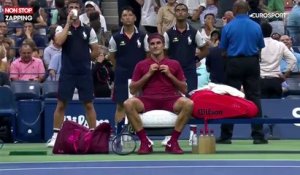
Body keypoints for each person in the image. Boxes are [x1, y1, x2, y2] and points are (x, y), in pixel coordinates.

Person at [124, 33, 193, 154]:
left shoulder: (174, 64)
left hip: (171, 99)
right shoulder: (141, 65)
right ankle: (145, 142)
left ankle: (173, 142)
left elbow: (184, 89)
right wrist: (148, 74)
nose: (155, 46)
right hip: (147, 100)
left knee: (189, 103)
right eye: (152, 44)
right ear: (149, 47)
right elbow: (132, 90)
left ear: (163, 45)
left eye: (158, 43)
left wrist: (170, 75)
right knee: (128, 104)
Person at [47, 0, 100, 147]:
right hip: (67, 72)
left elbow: (96, 50)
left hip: (84, 72)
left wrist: (84, 59)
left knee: (88, 104)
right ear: (67, 10)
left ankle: (93, 135)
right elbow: (58, 42)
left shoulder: (88, 30)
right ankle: (56, 136)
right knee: (61, 104)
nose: (74, 9)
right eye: (71, 7)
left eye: (76, 7)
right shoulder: (60, 28)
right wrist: (68, 24)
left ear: (80, 10)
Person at [218, 0, 267, 144]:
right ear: (246, 10)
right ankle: (258, 136)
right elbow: (260, 46)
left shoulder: (229, 26)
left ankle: (226, 136)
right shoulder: (256, 26)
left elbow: (223, 48)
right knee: (254, 97)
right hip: (252, 62)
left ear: (235, 9)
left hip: (235, 62)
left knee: (230, 98)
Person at [108, 6, 147, 134]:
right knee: (120, 105)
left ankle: (136, 133)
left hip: (139, 77)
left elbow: (148, 56)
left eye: (130, 15)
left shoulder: (143, 36)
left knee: (139, 105)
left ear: (135, 18)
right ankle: (118, 134)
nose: (127, 17)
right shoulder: (115, 38)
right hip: (122, 76)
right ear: (121, 19)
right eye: (124, 15)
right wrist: (121, 68)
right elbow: (112, 58)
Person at [164, 3, 209, 93]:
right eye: (178, 10)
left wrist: (196, 59)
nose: (180, 12)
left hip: (190, 71)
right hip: (173, 71)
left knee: (191, 96)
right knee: (172, 97)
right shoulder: (168, 33)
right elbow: (164, 53)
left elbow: (205, 50)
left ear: (187, 14)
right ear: (175, 13)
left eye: (183, 10)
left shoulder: (194, 32)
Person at [260, 22, 296, 99]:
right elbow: (293, 60)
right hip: (276, 81)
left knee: (262, 108)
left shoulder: (256, 44)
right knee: (276, 108)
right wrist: (285, 75)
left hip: (260, 80)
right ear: (271, 31)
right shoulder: (280, 44)